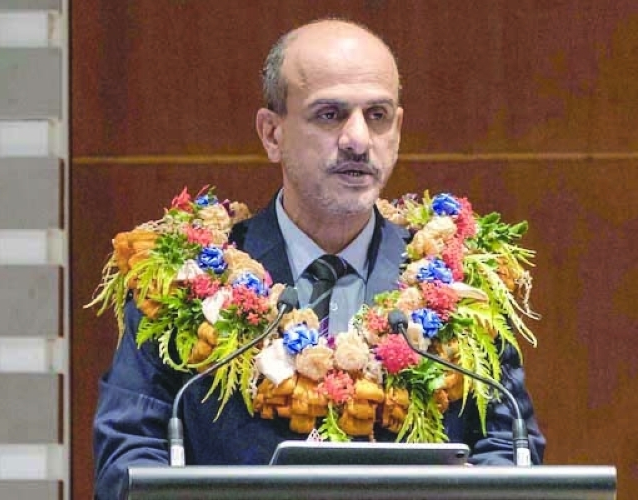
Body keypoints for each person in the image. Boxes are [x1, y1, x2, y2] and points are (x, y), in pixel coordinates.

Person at [93, 19, 545, 498]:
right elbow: (128, 458)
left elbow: (510, 447)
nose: (357, 140)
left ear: (398, 130)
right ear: (272, 134)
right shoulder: (186, 275)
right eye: (330, 114)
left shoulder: (458, 286)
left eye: (377, 115)